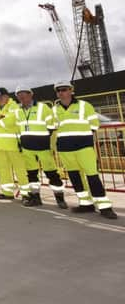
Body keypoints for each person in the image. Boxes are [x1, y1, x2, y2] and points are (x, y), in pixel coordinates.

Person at [52, 81, 117, 219]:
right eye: (58, 91)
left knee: (92, 176)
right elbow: (53, 128)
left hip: (84, 147)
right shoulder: (54, 109)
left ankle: (105, 206)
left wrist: (83, 138)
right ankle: (85, 203)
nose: (61, 93)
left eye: (64, 89)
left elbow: (94, 124)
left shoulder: (84, 106)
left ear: (71, 90)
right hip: (65, 149)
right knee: (75, 177)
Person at [14, 86, 67, 209]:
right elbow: (18, 129)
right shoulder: (17, 111)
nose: (21, 97)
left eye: (24, 94)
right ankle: (35, 198)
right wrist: (20, 143)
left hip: (43, 147)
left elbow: (52, 125)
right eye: (19, 95)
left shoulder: (43, 108)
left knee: (52, 173)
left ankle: (60, 199)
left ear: (30, 94)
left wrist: (43, 140)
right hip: (27, 148)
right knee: (31, 174)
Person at [0, 87, 29, 202]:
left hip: (13, 145)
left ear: (7, 96)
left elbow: (10, 121)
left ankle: (26, 194)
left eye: (2, 96)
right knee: (3, 170)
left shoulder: (14, 106)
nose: (0, 99)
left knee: (20, 170)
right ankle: (7, 193)